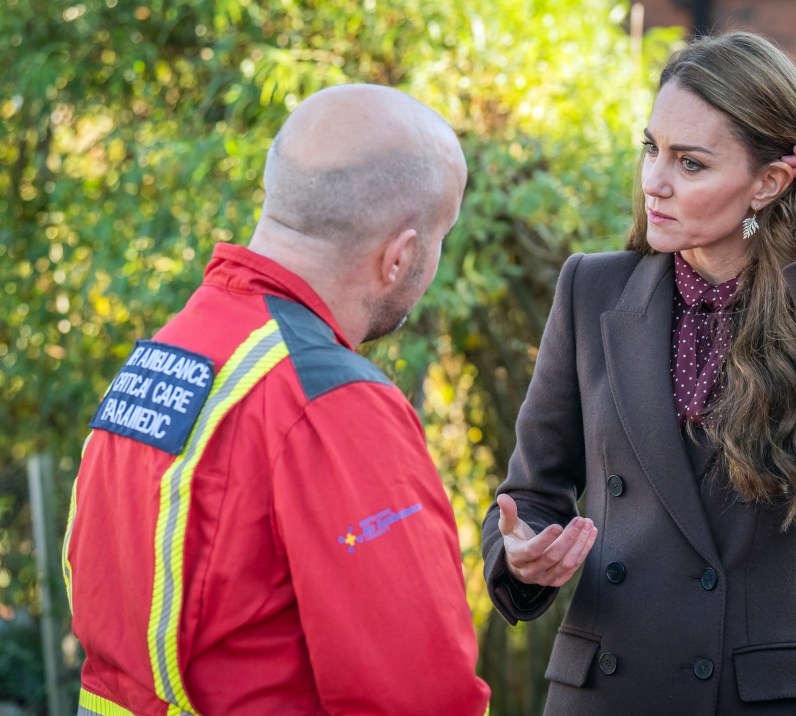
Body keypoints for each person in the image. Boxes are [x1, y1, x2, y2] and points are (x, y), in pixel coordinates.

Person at [482, 31, 796, 715]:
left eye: (690, 164)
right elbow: (532, 491)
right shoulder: (592, 290)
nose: (654, 181)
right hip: (606, 690)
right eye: (650, 149)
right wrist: (519, 553)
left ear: (768, 183)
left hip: (754, 698)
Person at [63, 84, 490, 715]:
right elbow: (420, 694)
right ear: (399, 257)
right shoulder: (331, 403)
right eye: (440, 238)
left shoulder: (171, 352)